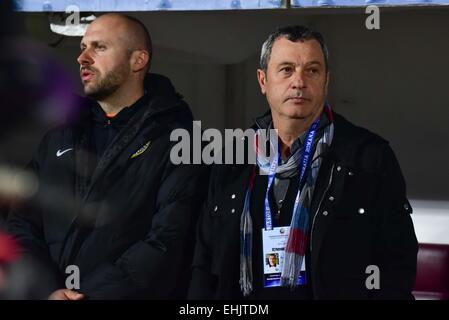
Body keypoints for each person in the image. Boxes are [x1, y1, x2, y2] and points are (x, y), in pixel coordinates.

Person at [189, 25, 418, 300]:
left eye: (312, 70)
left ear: (326, 81)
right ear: (263, 81)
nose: (299, 82)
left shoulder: (368, 157)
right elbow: (204, 261)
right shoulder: (232, 158)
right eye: (286, 69)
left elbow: (397, 263)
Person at [7, 13, 208, 300]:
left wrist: (90, 295)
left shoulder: (179, 140)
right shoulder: (58, 136)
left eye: (99, 47)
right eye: (82, 47)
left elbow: (168, 241)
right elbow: (22, 222)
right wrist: (49, 290)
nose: (82, 58)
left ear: (138, 60)